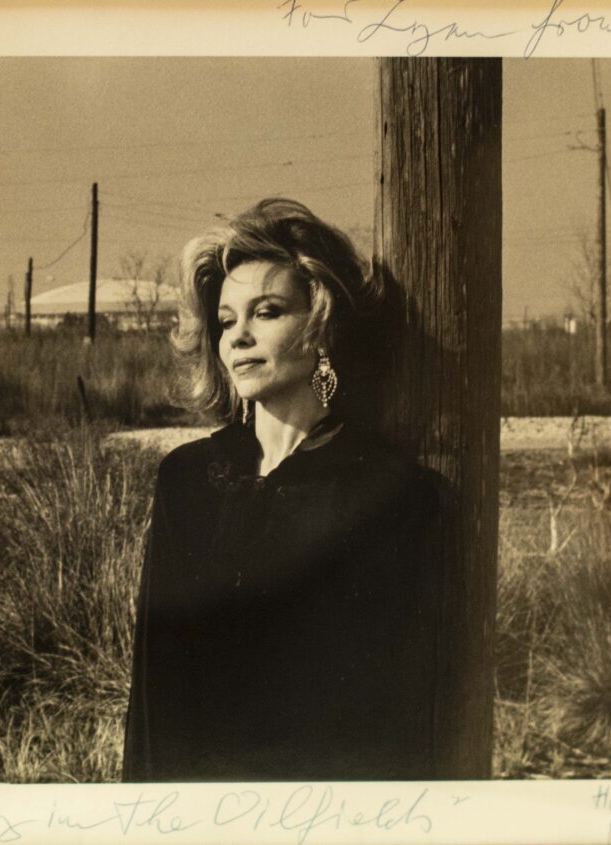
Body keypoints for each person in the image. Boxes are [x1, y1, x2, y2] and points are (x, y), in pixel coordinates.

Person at [122, 198, 443, 782]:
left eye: (266, 312)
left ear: (324, 325)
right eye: (225, 321)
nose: (238, 337)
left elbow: (401, 717)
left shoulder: (393, 495)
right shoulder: (187, 481)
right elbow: (153, 695)